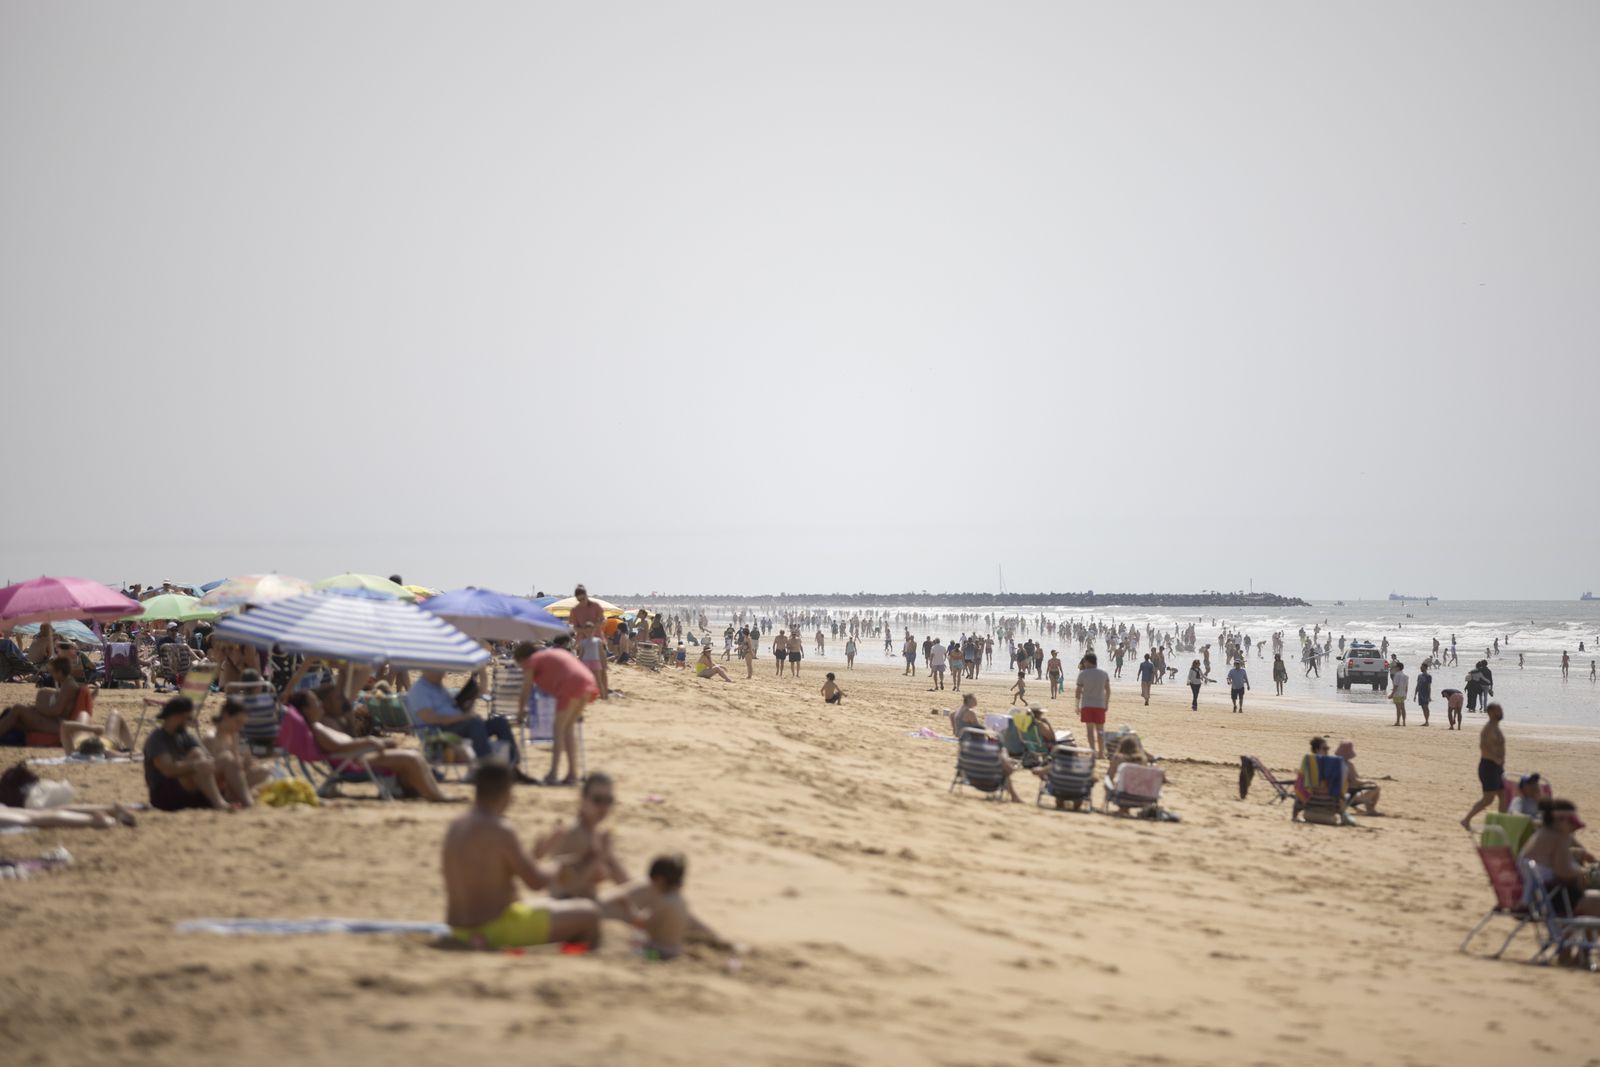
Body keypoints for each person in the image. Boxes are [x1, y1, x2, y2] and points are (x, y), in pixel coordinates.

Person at [442, 762, 602, 950]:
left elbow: (495, 875)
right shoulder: (499, 828)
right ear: (508, 793)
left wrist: (536, 856)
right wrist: (558, 864)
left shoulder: (456, 826)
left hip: (457, 930)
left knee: (550, 905)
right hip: (492, 930)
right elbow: (536, 882)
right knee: (590, 914)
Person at [288, 689, 453, 801]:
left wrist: (371, 743)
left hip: (357, 757)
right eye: (315, 702)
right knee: (412, 758)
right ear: (306, 709)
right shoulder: (318, 729)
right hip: (355, 762)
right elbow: (338, 747)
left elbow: (341, 746)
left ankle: (423, 792)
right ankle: (436, 796)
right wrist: (371, 742)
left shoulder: (319, 726)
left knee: (411, 757)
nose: (320, 703)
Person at [602, 854, 726, 960]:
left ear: (659, 880)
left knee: (632, 950)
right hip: (675, 951)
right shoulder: (681, 901)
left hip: (658, 954)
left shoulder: (663, 902)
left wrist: (628, 907)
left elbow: (640, 922)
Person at [407, 668, 525, 775]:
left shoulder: (437, 687)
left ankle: (513, 765)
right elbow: (430, 718)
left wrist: (481, 670)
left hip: (458, 726)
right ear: (426, 669)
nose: (443, 673)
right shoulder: (419, 690)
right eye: (439, 669)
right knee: (474, 724)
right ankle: (486, 768)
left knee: (499, 722)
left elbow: (481, 692)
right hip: (441, 732)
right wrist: (463, 717)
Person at [515, 637, 599, 786]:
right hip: (587, 682)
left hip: (571, 685)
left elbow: (525, 689)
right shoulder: (550, 655)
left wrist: (520, 712)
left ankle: (553, 773)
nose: (522, 669)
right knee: (568, 729)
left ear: (522, 659)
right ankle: (572, 774)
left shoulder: (532, 660)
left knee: (558, 729)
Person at [533, 772, 628, 899]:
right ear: (583, 800)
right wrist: (597, 859)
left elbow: (623, 880)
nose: (603, 807)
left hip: (585, 902)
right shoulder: (573, 833)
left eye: (608, 801)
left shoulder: (596, 834)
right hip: (569, 906)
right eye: (597, 800)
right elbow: (564, 887)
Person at [1519, 800, 1600, 948]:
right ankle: (1580, 951)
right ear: (1560, 820)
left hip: (1535, 896)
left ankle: (1572, 951)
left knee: (1593, 901)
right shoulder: (1558, 838)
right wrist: (1585, 873)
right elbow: (1564, 871)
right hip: (1552, 898)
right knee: (1596, 903)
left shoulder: (1541, 834)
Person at [143, 696, 230, 812]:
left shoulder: (183, 735)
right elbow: (167, 770)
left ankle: (238, 799)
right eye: (187, 718)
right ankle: (219, 802)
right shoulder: (157, 739)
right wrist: (195, 765)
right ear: (176, 716)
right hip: (163, 796)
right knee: (197, 757)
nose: (188, 722)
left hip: (186, 791)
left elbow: (206, 756)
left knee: (224, 758)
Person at [202, 698, 271, 807]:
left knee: (265, 770)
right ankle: (237, 798)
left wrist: (247, 761)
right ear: (226, 715)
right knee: (229, 759)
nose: (240, 727)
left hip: (232, 780)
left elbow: (242, 761)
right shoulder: (211, 738)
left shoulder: (234, 735)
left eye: (243, 724)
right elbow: (211, 772)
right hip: (218, 786)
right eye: (238, 722)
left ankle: (239, 796)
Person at [1460, 702, 1507, 831]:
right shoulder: (1488, 729)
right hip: (1489, 766)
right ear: (1491, 713)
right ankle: (1466, 820)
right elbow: (1484, 748)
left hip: (1496, 767)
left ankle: (1501, 824)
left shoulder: (1495, 727)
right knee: (1488, 799)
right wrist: (1496, 760)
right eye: (1498, 710)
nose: (1501, 712)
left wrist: (1500, 761)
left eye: (1501, 710)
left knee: (1503, 795)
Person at [1074, 652, 1111, 758]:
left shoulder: (1083, 674)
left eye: (1084, 662)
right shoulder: (1103, 673)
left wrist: (1076, 705)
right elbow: (1108, 690)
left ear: (1087, 661)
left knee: (1090, 730)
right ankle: (1101, 753)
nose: (1084, 664)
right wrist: (1106, 703)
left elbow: (1078, 691)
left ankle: (1093, 751)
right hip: (1100, 705)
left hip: (1087, 705)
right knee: (1100, 730)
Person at [1334, 740, 1380, 814]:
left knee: (1357, 788)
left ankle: (1359, 807)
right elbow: (1355, 781)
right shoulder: (1349, 765)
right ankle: (1370, 809)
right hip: (1349, 795)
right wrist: (1368, 781)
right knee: (1376, 787)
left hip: (1335, 794)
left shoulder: (1333, 763)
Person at [576, 623, 610, 699]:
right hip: (585, 662)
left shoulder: (598, 641)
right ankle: (585, 697)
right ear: (584, 631)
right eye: (587, 631)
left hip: (596, 662)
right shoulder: (583, 642)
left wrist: (604, 664)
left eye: (590, 631)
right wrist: (578, 663)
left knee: (598, 681)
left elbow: (601, 653)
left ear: (594, 630)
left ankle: (603, 697)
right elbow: (581, 654)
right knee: (585, 680)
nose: (589, 633)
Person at [1390, 661, 1409, 726]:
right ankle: (1404, 722)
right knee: (1403, 708)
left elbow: (1396, 686)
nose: (1394, 668)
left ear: (1398, 668)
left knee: (1398, 708)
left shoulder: (1397, 675)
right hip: (1403, 693)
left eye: (1395, 667)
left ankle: (1398, 722)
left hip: (1397, 693)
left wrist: (1392, 694)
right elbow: (1406, 686)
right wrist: (1406, 694)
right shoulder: (1405, 676)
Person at [1415, 662, 1433, 726]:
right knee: (1423, 707)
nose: (1420, 668)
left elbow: (1429, 686)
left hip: (1425, 694)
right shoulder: (1419, 676)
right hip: (1420, 693)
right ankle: (1426, 721)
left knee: (1426, 707)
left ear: (1425, 668)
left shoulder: (1428, 676)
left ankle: (1427, 721)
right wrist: (1415, 694)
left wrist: (1429, 696)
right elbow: (1417, 685)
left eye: (1422, 667)